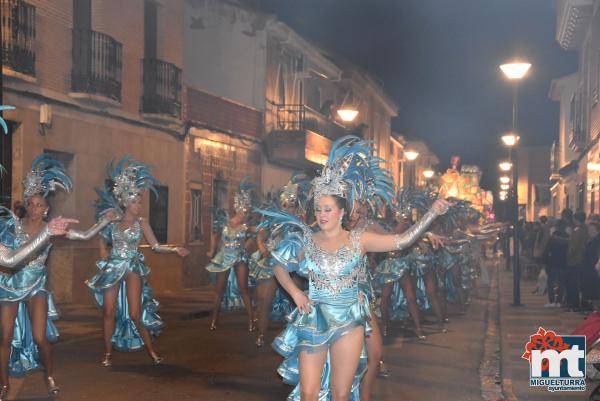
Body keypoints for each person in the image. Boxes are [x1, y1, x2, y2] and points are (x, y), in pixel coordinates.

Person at [263, 136, 450, 401]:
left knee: (341, 394)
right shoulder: (305, 239)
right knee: (308, 393)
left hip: (349, 321)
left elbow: (402, 240)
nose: (321, 215)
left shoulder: (359, 240)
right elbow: (279, 267)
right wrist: (295, 293)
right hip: (314, 318)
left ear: (341, 211)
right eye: (318, 209)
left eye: (327, 209)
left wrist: (432, 214)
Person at [0, 155, 112, 400]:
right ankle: (4, 385)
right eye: (30, 204)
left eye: (39, 205)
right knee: (4, 336)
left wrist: (103, 221)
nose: (34, 208)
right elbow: (6, 259)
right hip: (10, 286)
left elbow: (83, 236)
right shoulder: (13, 226)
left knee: (41, 337)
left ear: (46, 208)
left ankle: (49, 376)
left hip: (36, 287)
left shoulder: (53, 228)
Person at [86, 158, 189, 367]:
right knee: (108, 312)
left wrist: (175, 249)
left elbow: (156, 246)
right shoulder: (113, 220)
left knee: (135, 313)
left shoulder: (143, 223)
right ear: (125, 202)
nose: (138, 205)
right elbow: (101, 237)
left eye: (140, 201)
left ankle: (151, 350)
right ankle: (107, 353)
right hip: (113, 267)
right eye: (134, 201)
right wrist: (103, 253)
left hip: (132, 266)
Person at [206, 177, 257, 331]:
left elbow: (259, 232)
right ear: (237, 208)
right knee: (219, 289)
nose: (245, 213)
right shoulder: (224, 222)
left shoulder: (246, 226)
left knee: (243, 288)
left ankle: (251, 320)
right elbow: (214, 235)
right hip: (224, 256)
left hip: (239, 257)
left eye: (247, 210)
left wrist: (249, 246)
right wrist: (212, 249)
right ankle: (214, 319)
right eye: (243, 210)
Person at [543, 219, 570, 307]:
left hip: (553, 262)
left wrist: (545, 261)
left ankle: (552, 301)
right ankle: (559, 301)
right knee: (561, 283)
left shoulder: (553, 237)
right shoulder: (568, 237)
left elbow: (547, 250)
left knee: (551, 283)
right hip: (564, 263)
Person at [566, 211, 587, 311]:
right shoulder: (586, 229)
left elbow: (573, 246)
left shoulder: (577, 230)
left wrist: (568, 256)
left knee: (573, 283)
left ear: (575, 219)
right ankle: (580, 303)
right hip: (583, 259)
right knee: (580, 283)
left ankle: (573, 304)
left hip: (574, 260)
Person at [581, 222, 600, 311]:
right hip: (589, 268)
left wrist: (597, 267)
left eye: (592, 230)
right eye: (589, 230)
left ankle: (595, 311)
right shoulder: (591, 240)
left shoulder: (597, 241)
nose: (590, 232)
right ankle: (594, 310)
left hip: (595, 269)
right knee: (592, 291)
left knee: (595, 291)